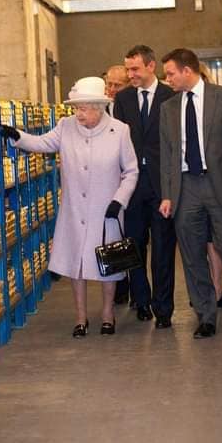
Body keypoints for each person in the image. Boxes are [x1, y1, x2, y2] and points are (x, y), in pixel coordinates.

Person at [0, 76, 139, 337]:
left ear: (98, 107)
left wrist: (119, 200)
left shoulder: (119, 130)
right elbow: (43, 144)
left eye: (83, 108)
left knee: (107, 263)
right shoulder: (66, 126)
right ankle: (80, 317)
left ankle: (108, 313)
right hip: (75, 208)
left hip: (107, 209)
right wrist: (18, 137)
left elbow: (131, 171)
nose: (78, 113)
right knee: (76, 263)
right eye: (76, 108)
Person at [159, 48, 222, 339]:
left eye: (170, 74)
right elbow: (167, 156)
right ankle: (206, 316)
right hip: (185, 188)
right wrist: (167, 195)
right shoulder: (169, 108)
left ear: (187, 71)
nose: (168, 80)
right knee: (191, 254)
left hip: (220, 186)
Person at [114, 45, 177, 327]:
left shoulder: (170, 96)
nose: (131, 75)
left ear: (151, 66)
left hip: (162, 186)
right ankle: (141, 301)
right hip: (132, 185)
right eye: (128, 69)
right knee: (133, 246)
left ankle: (163, 309)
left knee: (164, 248)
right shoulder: (123, 99)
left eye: (135, 69)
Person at [198, 62, 222, 309]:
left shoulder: (220, 101)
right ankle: (208, 289)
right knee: (201, 240)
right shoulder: (178, 105)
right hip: (192, 186)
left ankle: (217, 287)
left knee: (216, 241)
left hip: (217, 184)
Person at [104, 64, 132, 304]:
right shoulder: (96, 109)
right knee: (112, 239)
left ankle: (138, 292)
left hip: (130, 182)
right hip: (107, 185)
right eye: (108, 84)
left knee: (131, 236)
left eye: (117, 85)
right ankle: (119, 289)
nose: (111, 89)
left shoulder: (131, 108)